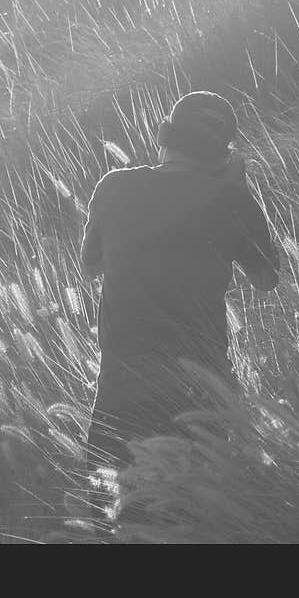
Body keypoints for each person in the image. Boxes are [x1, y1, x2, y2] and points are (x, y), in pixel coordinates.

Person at [81, 91, 280, 478]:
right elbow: (266, 278)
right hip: (199, 395)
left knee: (115, 522)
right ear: (223, 155)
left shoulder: (114, 187)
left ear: (166, 137)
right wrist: (238, 191)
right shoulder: (233, 200)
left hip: (121, 393)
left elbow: (91, 267)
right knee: (197, 521)